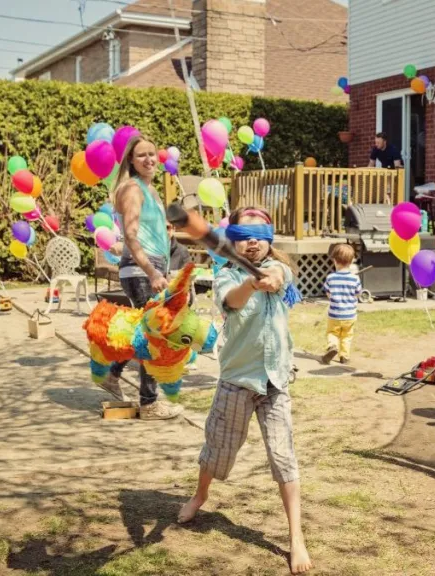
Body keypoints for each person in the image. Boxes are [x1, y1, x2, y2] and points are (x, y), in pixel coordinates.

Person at [177, 206, 312, 575]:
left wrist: (268, 278)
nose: (251, 242)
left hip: (275, 382)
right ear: (232, 239)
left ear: (269, 238)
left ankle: (296, 537)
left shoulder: (279, 267)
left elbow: (279, 277)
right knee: (218, 451)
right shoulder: (226, 275)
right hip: (237, 380)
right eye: (244, 235)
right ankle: (201, 494)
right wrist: (250, 283)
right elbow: (232, 302)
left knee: (284, 456)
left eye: (259, 235)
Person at [102, 134, 183, 421]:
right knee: (154, 335)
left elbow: (152, 232)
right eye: (142, 155)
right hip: (140, 270)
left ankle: (111, 375)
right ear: (132, 162)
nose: (149, 159)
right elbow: (132, 236)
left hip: (152, 266)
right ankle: (148, 403)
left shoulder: (151, 189)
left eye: (153, 153)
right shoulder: (133, 189)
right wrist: (152, 272)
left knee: (144, 332)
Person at [321, 243, 361, 365]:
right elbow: (358, 294)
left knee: (332, 333)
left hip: (334, 314)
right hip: (350, 315)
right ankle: (344, 356)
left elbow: (329, 294)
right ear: (351, 261)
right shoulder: (355, 279)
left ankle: (332, 346)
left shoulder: (330, 277)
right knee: (347, 336)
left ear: (334, 260)